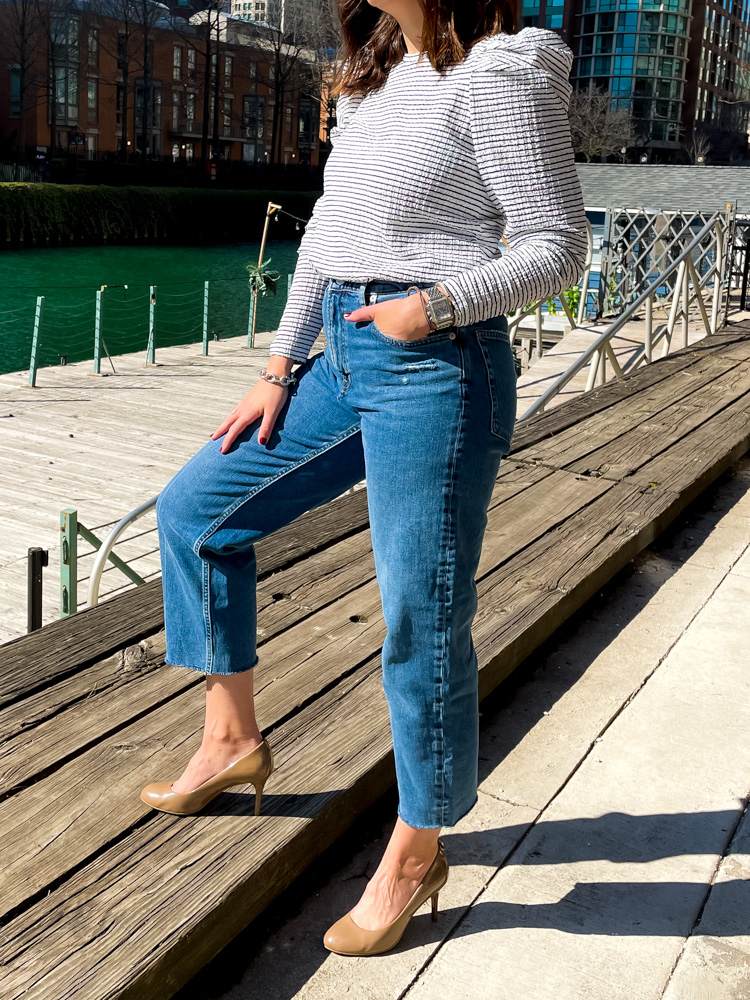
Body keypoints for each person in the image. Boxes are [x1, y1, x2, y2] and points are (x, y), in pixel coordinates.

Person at [140, 0, 588, 957]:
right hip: (338, 354)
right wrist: (277, 367)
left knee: (419, 618)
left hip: (436, 365)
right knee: (195, 513)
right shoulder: (376, 69)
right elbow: (327, 234)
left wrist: (429, 310)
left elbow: (556, 247)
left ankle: (418, 845)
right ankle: (231, 741)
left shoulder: (505, 67)